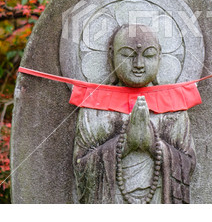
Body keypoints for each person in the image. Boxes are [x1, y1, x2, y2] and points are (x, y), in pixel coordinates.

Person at [73, 24, 196, 204]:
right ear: (111, 55)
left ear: (160, 56)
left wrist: (152, 145)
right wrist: (126, 144)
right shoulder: (94, 107)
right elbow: (80, 165)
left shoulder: (173, 107)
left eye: (148, 55)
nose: (138, 64)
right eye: (128, 55)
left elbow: (189, 163)